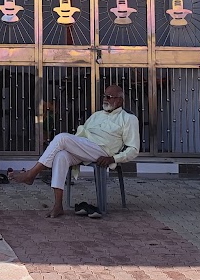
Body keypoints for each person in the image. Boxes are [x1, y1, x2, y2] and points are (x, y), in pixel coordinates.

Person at [10, 83, 140, 218]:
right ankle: (58, 205)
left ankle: (31, 174)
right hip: (86, 147)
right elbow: (83, 135)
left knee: (62, 138)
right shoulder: (97, 115)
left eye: (109, 97)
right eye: (104, 96)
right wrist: (75, 147)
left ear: (119, 100)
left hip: (103, 151)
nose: (105, 99)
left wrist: (113, 159)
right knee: (61, 155)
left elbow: (134, 149)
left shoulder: (128, 119)